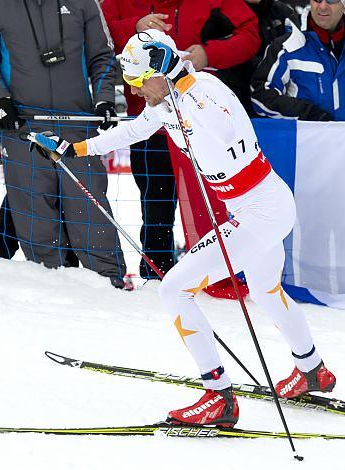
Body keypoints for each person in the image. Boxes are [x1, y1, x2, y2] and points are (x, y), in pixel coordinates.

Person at [29, 30, 336, 427]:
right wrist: (75, 149)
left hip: (261, 207)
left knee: (175, 289)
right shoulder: (166, 99)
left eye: (140, 82)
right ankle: (312, 369)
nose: (137, 92)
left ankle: (218, 397)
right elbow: (134, 130)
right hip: (254, 205)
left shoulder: (204, 92)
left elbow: (224, 129)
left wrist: (187, 99)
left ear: (161, 70)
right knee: (264, 289)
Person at [0, 0, 127, 287]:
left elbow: (102, 54)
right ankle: (49, 286)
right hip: (22, 125)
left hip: (77, 124)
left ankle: (108, 283)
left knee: (89, 208)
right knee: (34, 212)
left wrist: (104, 97)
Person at [101, 0, 261, 282]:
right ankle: (156, 275)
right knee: (155, 203)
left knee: (211, 204)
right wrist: (134, 27)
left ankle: (218, 276)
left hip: (200, 123)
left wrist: (209, 54)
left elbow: (250, 35)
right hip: (150, 122)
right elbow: (98, 34)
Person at [251, 0, 345, 292]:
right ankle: (309, 297)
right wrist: (306, 112)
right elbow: (261, 95)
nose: (323, 6)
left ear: (343, 6)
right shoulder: (290, 45)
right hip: (307, 161)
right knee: (309, 236)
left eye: (331, 0)